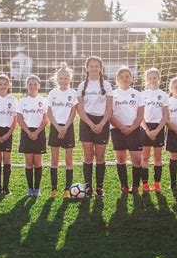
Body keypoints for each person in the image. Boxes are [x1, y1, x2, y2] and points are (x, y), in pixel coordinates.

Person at [76, 56, 113, 198]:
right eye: (91, 66)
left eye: (96, 66)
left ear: (100, 68)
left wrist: (102, 124)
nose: (94, 68)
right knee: (88, 155)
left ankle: (99, 188)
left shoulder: (107, 85)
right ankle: (88, 187)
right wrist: (91, 124)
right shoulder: (81, 86)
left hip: (102, 121)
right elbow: (80, 109)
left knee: (100, 155)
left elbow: (109, 108)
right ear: (87, 68)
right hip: (86, 122)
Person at [110, 66, 145, 194]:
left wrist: (132, 128)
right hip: (117, 130)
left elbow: (140, 115)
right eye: (121, 76)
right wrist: (121, 127)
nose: (124, 79)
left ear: (131, 78)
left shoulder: (137, 94)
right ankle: (124, 185)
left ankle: (136, 185)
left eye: (127, 76)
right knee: (120, 158)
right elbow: (110, 114)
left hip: (134, 130)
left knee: (137, 159)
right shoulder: (112, 94)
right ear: (117, 79)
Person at [46, 63, 77, 198]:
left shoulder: (73, 93)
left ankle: (67, 189)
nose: (63, 80)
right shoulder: (52, 93)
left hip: (68, 128)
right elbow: (49, 112)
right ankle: (54, 189)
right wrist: (58, 127)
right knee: (54, 159)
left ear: (69, 79)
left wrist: (65, 127)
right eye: (61, 78)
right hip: (55, 127)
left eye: (66, 78)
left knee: (69, 160)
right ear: (56, 79)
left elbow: (73, 112)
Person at [17, 75, 48, 197]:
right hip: (26, 132)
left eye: (35, 84)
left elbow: (45, 119)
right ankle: (30, 188)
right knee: (29, 161)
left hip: (39, 132)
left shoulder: (44, 100)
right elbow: (19, 119)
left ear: (39, 85)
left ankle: (37, 189)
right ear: (27, 86)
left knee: (38, 161)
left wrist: (36, 132)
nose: (33, 86)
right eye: (30, 84)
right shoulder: (22, 101)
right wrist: (29, 132)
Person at [140, 67, 169, 193]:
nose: (152, 80)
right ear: (146, 80)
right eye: (150, 78)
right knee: (144, 157)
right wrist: (147, 130)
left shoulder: (163, 95)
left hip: (159, 128)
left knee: (158, 157)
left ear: (159, 79)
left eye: (155, 78)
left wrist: (156, 131)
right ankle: (145, 184)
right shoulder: (142, 95)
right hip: (145, 128)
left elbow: (166, 116)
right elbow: (139, 116)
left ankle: (157, 183)